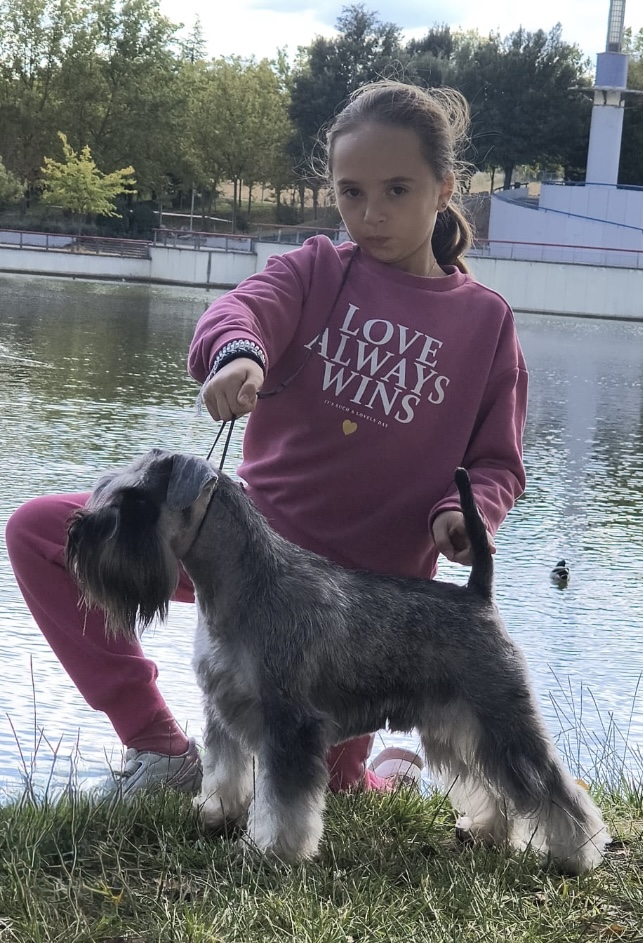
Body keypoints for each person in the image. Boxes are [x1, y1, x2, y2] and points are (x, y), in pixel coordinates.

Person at [6, 80, 527, 799]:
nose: (369, 215)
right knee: (39, 530)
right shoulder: (314, 268)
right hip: (251, 555)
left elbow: (495, 461)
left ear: (442, 189)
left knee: (333, 786)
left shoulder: (485, 323)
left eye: (396, 190)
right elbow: (240, 310)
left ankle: (389, 770)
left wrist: (465, 516)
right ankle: (157, 747)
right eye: (350, 193)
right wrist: (236, 355)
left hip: (364, 610)